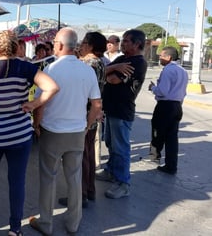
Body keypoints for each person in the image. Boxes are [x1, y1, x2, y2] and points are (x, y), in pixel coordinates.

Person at [0, 30, 59, 236]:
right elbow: (53, 87)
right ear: (16, 46)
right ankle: (15, 229)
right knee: (17, 182)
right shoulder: (25, 67)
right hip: (18, 134)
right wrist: (33, 103)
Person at [30, 27, 102, 236]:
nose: (53, 47)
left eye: (54, 44)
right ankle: (73, 223)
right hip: (77, 132)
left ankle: (46, 222)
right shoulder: (87, 70)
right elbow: (96, 105)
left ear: (60, 45)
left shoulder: (50, 70)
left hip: (52, 131)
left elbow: (40, 104)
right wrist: (86, 126)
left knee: (48, 178)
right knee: (74, 177)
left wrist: (36, 125)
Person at [96, 29, 148, 199]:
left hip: (122, 110)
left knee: (121, 148)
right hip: (111, 108)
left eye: (126, 41)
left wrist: (110, 70)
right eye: (123, 40)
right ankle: (111, 171)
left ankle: (123, 183)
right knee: (111, 143)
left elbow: (112, 79)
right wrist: (115, 67)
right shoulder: (121, 60)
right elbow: (103, 70)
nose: (122, 43)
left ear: (137, 44)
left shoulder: (138, 63)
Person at [58, 31, 106, 209]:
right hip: (92, 115)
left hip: (83, 116)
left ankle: (81, 194)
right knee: (88, 155)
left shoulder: (88, 64)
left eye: (84, 42)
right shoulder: (100, 63)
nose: (81, 46)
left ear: (91, 46)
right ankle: (90, 189)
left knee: (81, 157)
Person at [148, 46, 188, 175]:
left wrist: (153, 88)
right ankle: (171, 165)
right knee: (172, 138)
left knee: (157, 132)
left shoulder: (168, 70)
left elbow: (163, 91)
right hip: (177, 106)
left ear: (169, 57)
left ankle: (154, 158)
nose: (159, 57)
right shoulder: (183, 71)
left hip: (165, 106)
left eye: (161, 55)